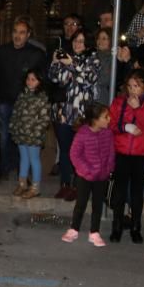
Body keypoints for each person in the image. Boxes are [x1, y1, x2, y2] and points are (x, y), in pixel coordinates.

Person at [108, 69, 144, 243]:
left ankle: (135, 226)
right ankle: (116, 226)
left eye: (136, 86)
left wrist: (138, 109)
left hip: (142, 154)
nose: (132, 90)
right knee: (119, 191)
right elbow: (111, 124)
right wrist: (125, 128)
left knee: (137, 192)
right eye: (130, 86)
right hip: (122, 152)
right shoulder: (118, 101)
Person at [49, 29, 102, 201]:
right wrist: (55, 62)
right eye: (75, 40)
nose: (77, 44)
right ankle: (65, 185)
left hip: (81, 115)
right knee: (65, 151)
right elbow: (56, 79)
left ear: (88, 43)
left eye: (81, 41)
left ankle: (79, 186)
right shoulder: (66, 57)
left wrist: (71, 63)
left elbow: (88, 80)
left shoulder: (93, 59)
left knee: (80, 152)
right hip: (63, 113)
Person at [0, 17, 46, 183]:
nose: (18, 36)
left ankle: (22, 174)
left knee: (24, 140)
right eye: (15, 32)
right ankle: (3, 170)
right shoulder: (2, 51)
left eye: (22, 33)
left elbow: (42, 79)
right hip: (5, 101)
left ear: (28, 34)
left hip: (27, 105)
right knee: (4, 138)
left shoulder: (36, 54)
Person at [62, 102, 115, 247]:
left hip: (101, 176)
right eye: (106, 117)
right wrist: (86, 171)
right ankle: (74, 228)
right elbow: (74, 154)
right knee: (81, 203)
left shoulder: (108, 133)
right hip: (85, 176)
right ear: (95, 120)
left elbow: (111, 153)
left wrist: (109, 168)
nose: (109, 119)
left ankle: (94, 232)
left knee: (98, 204)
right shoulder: (82, 134)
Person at [10, 68, 50, 199]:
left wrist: (35, 133)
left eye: (33, 79)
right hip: (21, 134)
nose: (30, 82)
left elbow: (44, 119)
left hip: (33, 136)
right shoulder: (22, 94)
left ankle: (35, 187)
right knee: (24, 158)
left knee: (34, 159)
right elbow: (16, 112)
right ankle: (22, 184)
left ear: (39, 81)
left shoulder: (42, 97)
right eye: (28, 79)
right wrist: (13, 127)